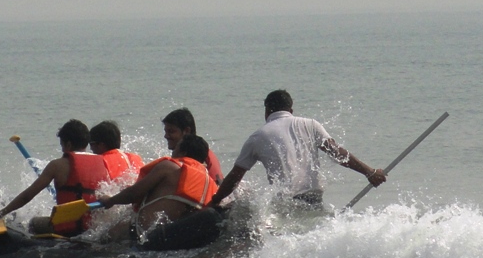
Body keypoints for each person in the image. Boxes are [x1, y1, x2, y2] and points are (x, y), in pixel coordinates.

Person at [207, 90, 386, 209]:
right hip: (314, 198)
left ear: (267, 110)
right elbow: (338, 153)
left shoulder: (257, 137)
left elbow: (234, 178)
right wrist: (369, 172)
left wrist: (215, 200)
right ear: (291, 110)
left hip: (286, 205)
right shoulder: (311, 125)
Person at [0, 119, 109, 236]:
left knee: (33, 223)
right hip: (92, 227)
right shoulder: (102, 163)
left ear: (68, 144)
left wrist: (2, 212)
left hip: (67, 229)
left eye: (62, 145)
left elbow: (27, 196)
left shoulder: (57, 165)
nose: (62, 150)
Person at [98, 134, 217, 237]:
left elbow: (132, 194)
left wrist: (110, 200)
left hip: (151, 236)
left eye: (176, 147)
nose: (173, 152)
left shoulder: (170, 167)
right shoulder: (211, 184)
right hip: (182, 238)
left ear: (183, 152)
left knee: (107, 236)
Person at [161, 108, 224, 184]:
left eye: (171, 131)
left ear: (186, 131)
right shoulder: (180, 156)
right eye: (166, 131)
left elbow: (217, 185)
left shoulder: (204, 155)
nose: (166, 136)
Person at [88, 120, 144, 185]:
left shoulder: (100, 162)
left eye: (91, 144)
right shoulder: (136, 157)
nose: (91, 148)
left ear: (101, 145)